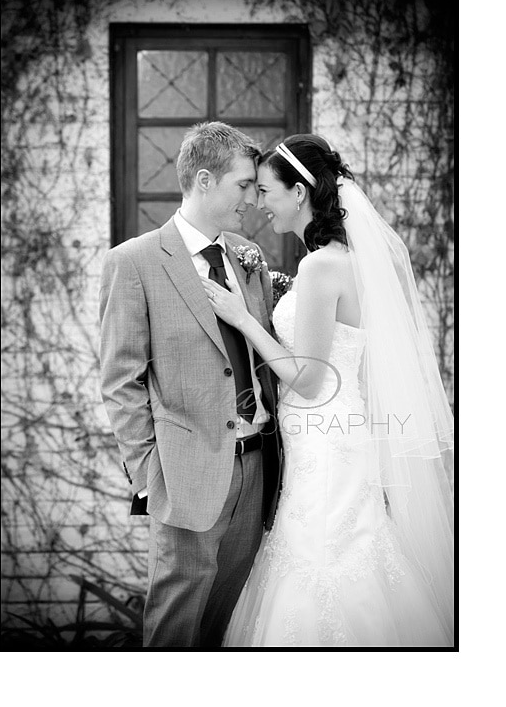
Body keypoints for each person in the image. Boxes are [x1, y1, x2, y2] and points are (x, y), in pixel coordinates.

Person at [201, 133, 454, 647]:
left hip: (322, 440)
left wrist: (242, 318)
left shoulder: (319, 267)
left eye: (265, 191)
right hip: (336, 434)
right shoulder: (343, 260)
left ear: (298, 193)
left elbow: (309, 378)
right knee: (350, 549)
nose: (259, 203)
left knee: (319, 558)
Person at [99, 121, 282, 648]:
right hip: (184, 477)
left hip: (256, 468)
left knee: (230, 624)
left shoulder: (246, 255)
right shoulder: (133, 262)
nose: (253, 199)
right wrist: (149, 476)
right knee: (176, 630)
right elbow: (120, 380)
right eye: (243, 185)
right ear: (204, 180)